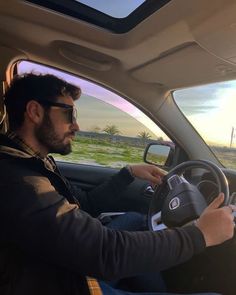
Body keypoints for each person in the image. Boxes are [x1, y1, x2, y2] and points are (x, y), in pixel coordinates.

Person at [0, 73, 234, 295]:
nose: (77, 126)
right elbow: (104, 252)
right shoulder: (17, 181)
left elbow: (85, 203)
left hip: (63, 266)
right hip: (64, 283)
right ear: (35, 112)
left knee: (136, 220)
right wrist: (200, 234)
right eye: (69, 115)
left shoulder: (34, 162)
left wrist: (129, 173)